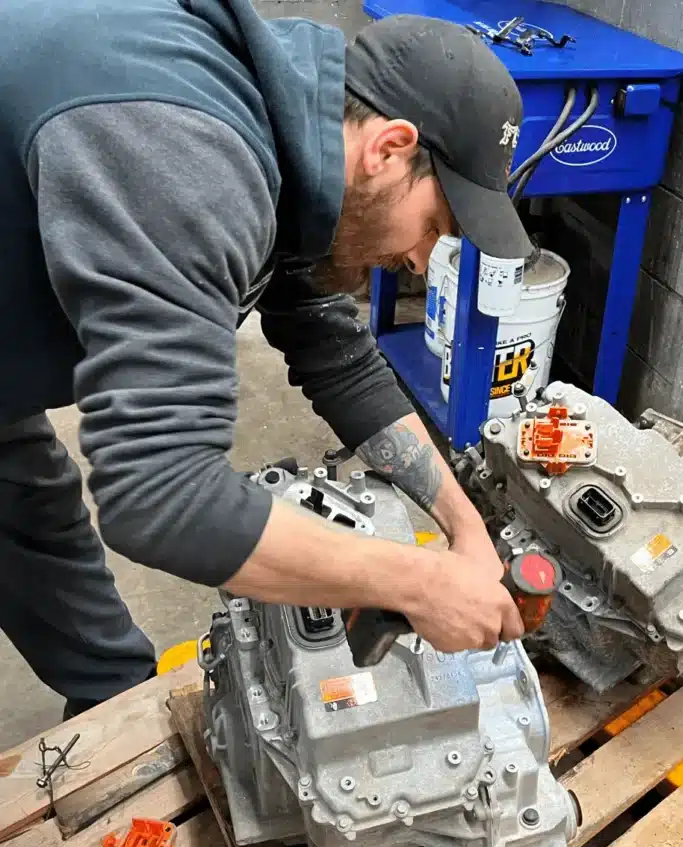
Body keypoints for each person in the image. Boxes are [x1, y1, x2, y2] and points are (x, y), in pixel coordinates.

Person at [0, 0, 534, 719]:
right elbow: (160, 494)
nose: (417, 260)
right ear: (388, 148)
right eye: (435, 225)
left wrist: (462, 527)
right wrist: (413, 581)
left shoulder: (290, 135)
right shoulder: (187, 156)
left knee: (23, 496)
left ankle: (111, 708)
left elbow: (332, 348)